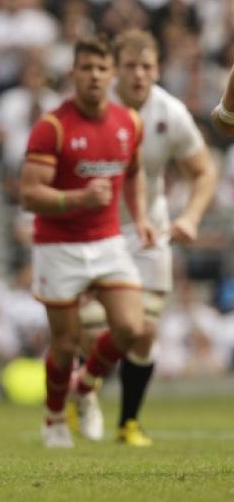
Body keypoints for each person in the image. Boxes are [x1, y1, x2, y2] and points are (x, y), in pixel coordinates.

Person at [78, 29, 216, 446]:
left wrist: (189, 217)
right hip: (91, 230)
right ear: (115, 70)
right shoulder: (91, 108)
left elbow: (204, 171)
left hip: (146, 231)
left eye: (148, 66)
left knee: (144, 331)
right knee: (91, 331)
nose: (140, 75)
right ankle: (85, 391)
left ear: (158, 68)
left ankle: (129, 423)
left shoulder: (169, 112)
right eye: (131, 66)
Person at [19, 35, 154, 449]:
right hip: (58, 246)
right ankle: (55, 419)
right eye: (86, 68)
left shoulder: (129, 122)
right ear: (73, 73)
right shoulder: (53, 127)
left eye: (101, 68)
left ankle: (87, 382)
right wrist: (79, 198)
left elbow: (133, 172)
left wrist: (142, 216)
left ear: (112, 74)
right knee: (65, 343)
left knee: (134, 328)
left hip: (108, 240)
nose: (94, 76)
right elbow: (28, 193)